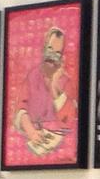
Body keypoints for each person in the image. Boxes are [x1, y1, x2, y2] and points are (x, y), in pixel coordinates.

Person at [12, 26, 74, 157]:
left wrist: (54, 86)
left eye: (57, 52)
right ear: (44, 48)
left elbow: (68, 120)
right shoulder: (32, 76)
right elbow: (20, 108)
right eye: (50, 49)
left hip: (58, 144)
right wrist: (31, 131)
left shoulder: (66, 81)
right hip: (31, 138)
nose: (52, 56)